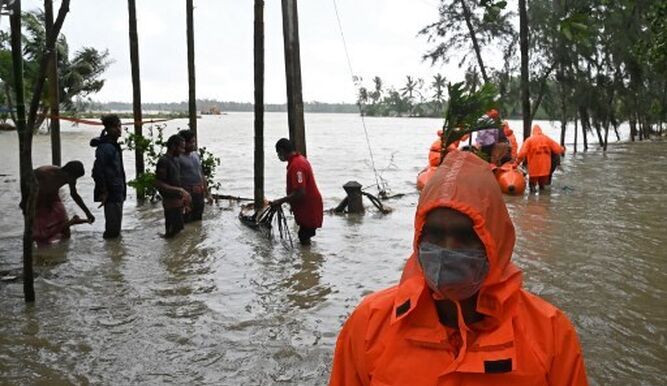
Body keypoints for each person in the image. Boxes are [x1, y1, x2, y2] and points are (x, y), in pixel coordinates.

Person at [329, 151, 588, 385]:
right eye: (435, 234)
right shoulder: (369, 324)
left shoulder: (550, 334)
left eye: (464, 235)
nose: (447, 250)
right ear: (418, 237)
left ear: (494, 241)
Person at [21, 161, 95, 246]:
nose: (74, 181)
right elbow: (25, 181)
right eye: (73, 178)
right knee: (39, 232)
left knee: (64, 226)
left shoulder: (71, 178)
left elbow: (74, 194)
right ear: (67, 173)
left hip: (53, 196)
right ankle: (36, 252)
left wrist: (87, 212)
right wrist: (25, 201)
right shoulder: (44, 172)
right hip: (38, 198)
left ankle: (63, 251)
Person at [270, 138, 323, 246]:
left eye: (278, 153)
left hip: (309, 207)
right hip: (305, 206)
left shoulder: (297, 165)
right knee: (304, 235)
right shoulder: (297, 161)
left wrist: (280, 201)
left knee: (304, 236)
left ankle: (309, 260)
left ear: (282, 150)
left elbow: (300, 192)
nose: (278, 156)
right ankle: (308, 259)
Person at [91, 114, 127, 239]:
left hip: (117, 191)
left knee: (116, 228)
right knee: (113, 230)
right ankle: (112, 253)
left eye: (119, 126)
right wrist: (104, 191)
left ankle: (113, 253)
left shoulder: (113, 145)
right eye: (115, 127)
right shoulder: (106, 147)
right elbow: (97, 171)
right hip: (111, 192)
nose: (118, 129)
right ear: (107, 129)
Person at [154, 134, 191, 238]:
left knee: (178, 234)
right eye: (181, 148)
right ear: (173, 146)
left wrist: (184, 198)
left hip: (178, 203)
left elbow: (177, 181)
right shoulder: (164, 161)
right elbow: (159, 183)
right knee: (171, 235)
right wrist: (180, 190)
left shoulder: (176, 159)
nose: (183, 151)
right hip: (170, 204)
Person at [515, 124, 565, 192]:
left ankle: (531, 200)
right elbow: (557, 149)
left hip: (534, 169)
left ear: (533, 132)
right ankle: (543, 201)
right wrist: (563, 149)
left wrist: (517, 162)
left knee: (532, 186)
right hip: (545, 169)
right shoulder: (547, 139)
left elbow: (522, 153)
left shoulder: (529, 140)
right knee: (542, 187)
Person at [178, 130, 212, 222]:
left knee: (198, 221)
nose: (193, 144)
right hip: (186, 194)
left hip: (199, 194)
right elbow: (175, 179)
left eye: (194, 141)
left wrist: (207, 193)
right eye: (191, 142)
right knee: (185, 221)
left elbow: (201, 174)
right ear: (183, 143)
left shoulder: (195, 155)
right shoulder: (178, 158)